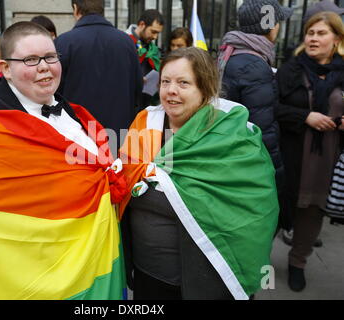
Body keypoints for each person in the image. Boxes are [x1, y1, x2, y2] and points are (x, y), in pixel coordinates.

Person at [0, 21, 128, 300]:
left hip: (96, 261)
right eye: (30, 60)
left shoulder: (79, 114)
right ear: (6, 69)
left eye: (50, 57)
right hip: (30, 277)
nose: (44, 66)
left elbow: (98, 167)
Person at [119, 47, 279, 300]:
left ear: (205, 88)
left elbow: (254, 205)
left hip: (209, 273)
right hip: (149, 270)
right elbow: (124, 175)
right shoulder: (145, 122)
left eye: (184, 83)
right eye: (165, 82)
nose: (171, 90)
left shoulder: (231, 132)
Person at [276, 11, 344, 292]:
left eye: (321, 33)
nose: (314, 38)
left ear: (337, 39)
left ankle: (297, 263)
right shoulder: (290, 70)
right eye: (310, 33)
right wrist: (305, 116)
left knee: (312, 214)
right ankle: (254, 264)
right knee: (275, 210)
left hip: (326, 158)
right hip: (290, 153)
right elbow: (272, 108)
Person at [218, 0, 291, 219]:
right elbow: (262, 129)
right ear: (269, 25)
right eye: (277, 21)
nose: (278, 27)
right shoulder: (254, 65)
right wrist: (275, 176)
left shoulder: (230, 53)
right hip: (246, 163)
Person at [55, 0, 142, 147]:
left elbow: (54, 91)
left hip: (78, 134)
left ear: (76, 9)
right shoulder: (126, 42)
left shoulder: (63, 42)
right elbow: (137, 88)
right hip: (118, 133)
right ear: (103, 9)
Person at [126, 9, 164, 110]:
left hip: (147, 103)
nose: (155, 37)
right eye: (153, 32)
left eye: (158, 33)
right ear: (142, 24)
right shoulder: (124, 41)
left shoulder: (152, 49)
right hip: (128, 101)